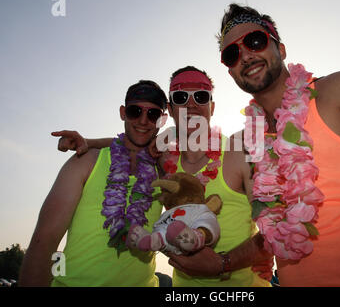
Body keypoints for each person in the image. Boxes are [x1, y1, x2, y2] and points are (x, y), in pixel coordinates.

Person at [215, 3, 340, 286]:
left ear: (281, 49)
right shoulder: (251, 145)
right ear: (230, 71)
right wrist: (220, 262)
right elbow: (275, 235)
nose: (246, 55)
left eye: (255, 41)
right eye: (232, 54)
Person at [53, 66, 273, 287]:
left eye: (201, 96)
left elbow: (278, 231)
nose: (191, 104)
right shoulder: (163, 159)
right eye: (180, 97)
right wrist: (88, 142)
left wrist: (222, 263)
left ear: (212, 106)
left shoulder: (241, 152)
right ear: (171, 109)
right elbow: (129, 143)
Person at [19, 80, 167, 286]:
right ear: (123, 112)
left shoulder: (164, 169)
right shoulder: (87, 161)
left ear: (162, 120)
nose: (143, 120)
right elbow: (45, 239)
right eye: (135, 111)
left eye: (153, 115)